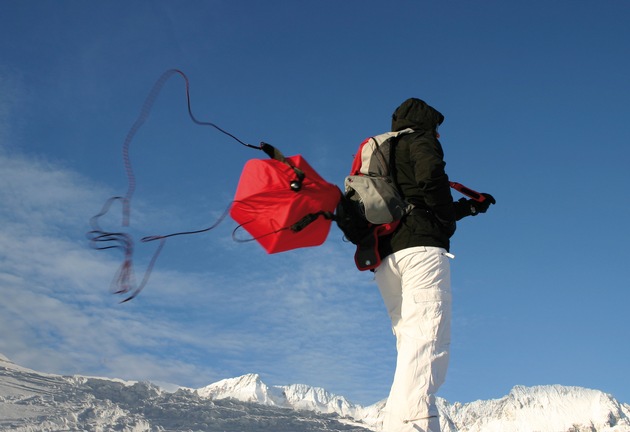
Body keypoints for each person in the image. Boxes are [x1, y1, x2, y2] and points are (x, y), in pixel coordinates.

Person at [374, 98, 495, 432]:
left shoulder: (383, 153)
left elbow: (417, 205)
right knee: (427, 344)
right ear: (427, 124)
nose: (439, 135)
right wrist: (447, 218)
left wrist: (467, 209)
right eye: (437, 129)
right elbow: (430, 181)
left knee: (410, 350)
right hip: (421, 256)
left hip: (387, 259)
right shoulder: (420, 140)